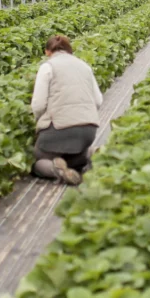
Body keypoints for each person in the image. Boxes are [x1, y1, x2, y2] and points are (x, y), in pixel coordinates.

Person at [30, 35, 103, 186]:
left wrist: (39, 123)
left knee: (38, 159)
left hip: (59, 129)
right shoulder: (85, 66)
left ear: (47, 52)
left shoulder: (48, 67)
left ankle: (60, 172)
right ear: (70, 50)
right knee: (72, 156)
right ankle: (89, 153)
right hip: (88, 130)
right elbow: (98, 101)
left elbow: (38, 105)